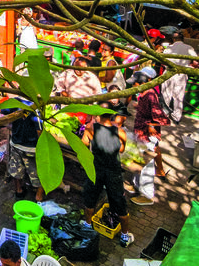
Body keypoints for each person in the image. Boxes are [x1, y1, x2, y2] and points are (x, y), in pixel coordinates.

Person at [81, 112, 134, 247]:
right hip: (113, 171)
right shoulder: (120, 132)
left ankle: (87, 225)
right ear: (111, 116)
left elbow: (84, 144)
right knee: (119, 202)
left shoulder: (90, 128)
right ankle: (124, 235)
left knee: (90, 197)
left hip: (96, 169)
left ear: (98, 116)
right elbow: (121, 150)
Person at [133, 67, 170, 179]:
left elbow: (157, 113)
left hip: (147, 130)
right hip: (142, 127)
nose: (133, 86)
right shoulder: (145, 93)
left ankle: (146, 182)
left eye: (134, 84)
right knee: (153, 148)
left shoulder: (150, 95)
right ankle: (160, 170)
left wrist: (151, 126)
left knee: (147, 153)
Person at [6, 105, 45, 201]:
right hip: (31, 148)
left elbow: (2, 111)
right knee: (39, 172)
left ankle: (19, 191)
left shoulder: (15, 102)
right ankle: (38, 197)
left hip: (16, 144)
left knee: (16, 169)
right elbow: (39, 130)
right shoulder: (36, 108)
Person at [161, 30, 197, 122]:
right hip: (181, 74)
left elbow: (162, 61)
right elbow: (196, 63)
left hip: (169, 73)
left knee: (166, 94)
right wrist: (189, 65)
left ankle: (164, 114)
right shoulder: (189, 48)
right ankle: (177, 117)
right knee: (178, 97)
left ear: (173, 39)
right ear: (183, 39)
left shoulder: (169, 48)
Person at [53, 56, 101, 125]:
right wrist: (67, 96)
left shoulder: (92, 77)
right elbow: (59, 88)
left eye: (81, 68)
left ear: (86, 67)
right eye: (76, 67)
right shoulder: (66, 73)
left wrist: (92, 114)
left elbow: (98, 95)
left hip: (85, 111)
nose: (78, 70)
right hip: (68, 109)